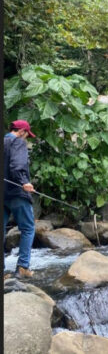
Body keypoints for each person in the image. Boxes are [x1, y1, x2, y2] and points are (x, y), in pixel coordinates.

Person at [4, 120, 37, 279]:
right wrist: (25, 182)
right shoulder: (18, 142)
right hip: (16, 193)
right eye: (26, 135)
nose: (26, 139)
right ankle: (23, 268)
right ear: (22, 131)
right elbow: (17, 166)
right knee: (28, 229)